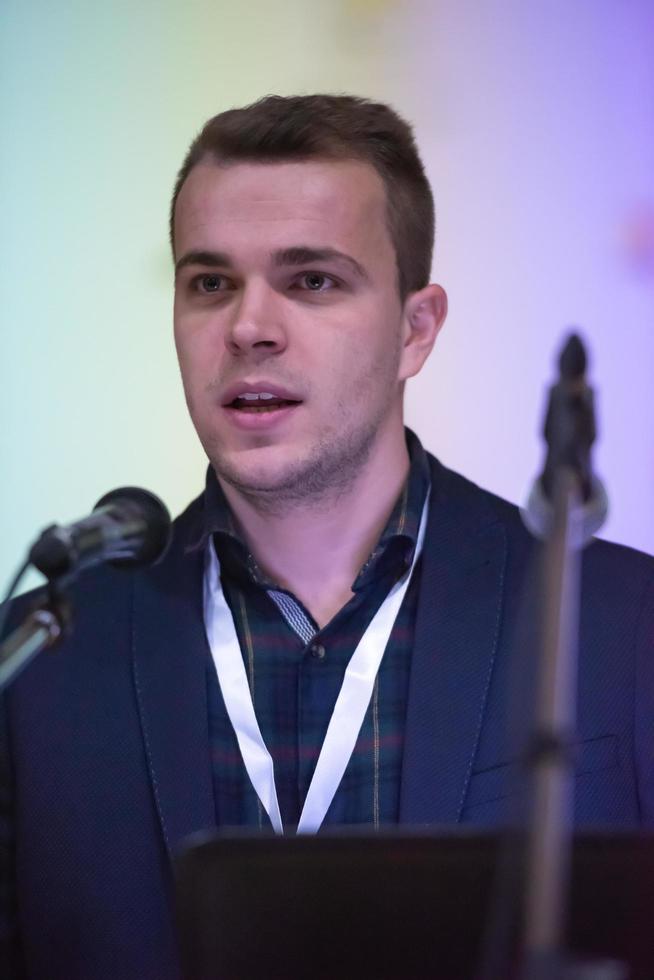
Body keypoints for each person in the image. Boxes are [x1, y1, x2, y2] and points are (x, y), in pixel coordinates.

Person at [1, 94, 653, 980]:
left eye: (311, 280)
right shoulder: (41, 657)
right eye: (211, 283)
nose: (248, 328)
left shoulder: (621, 624)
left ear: (415, 330)